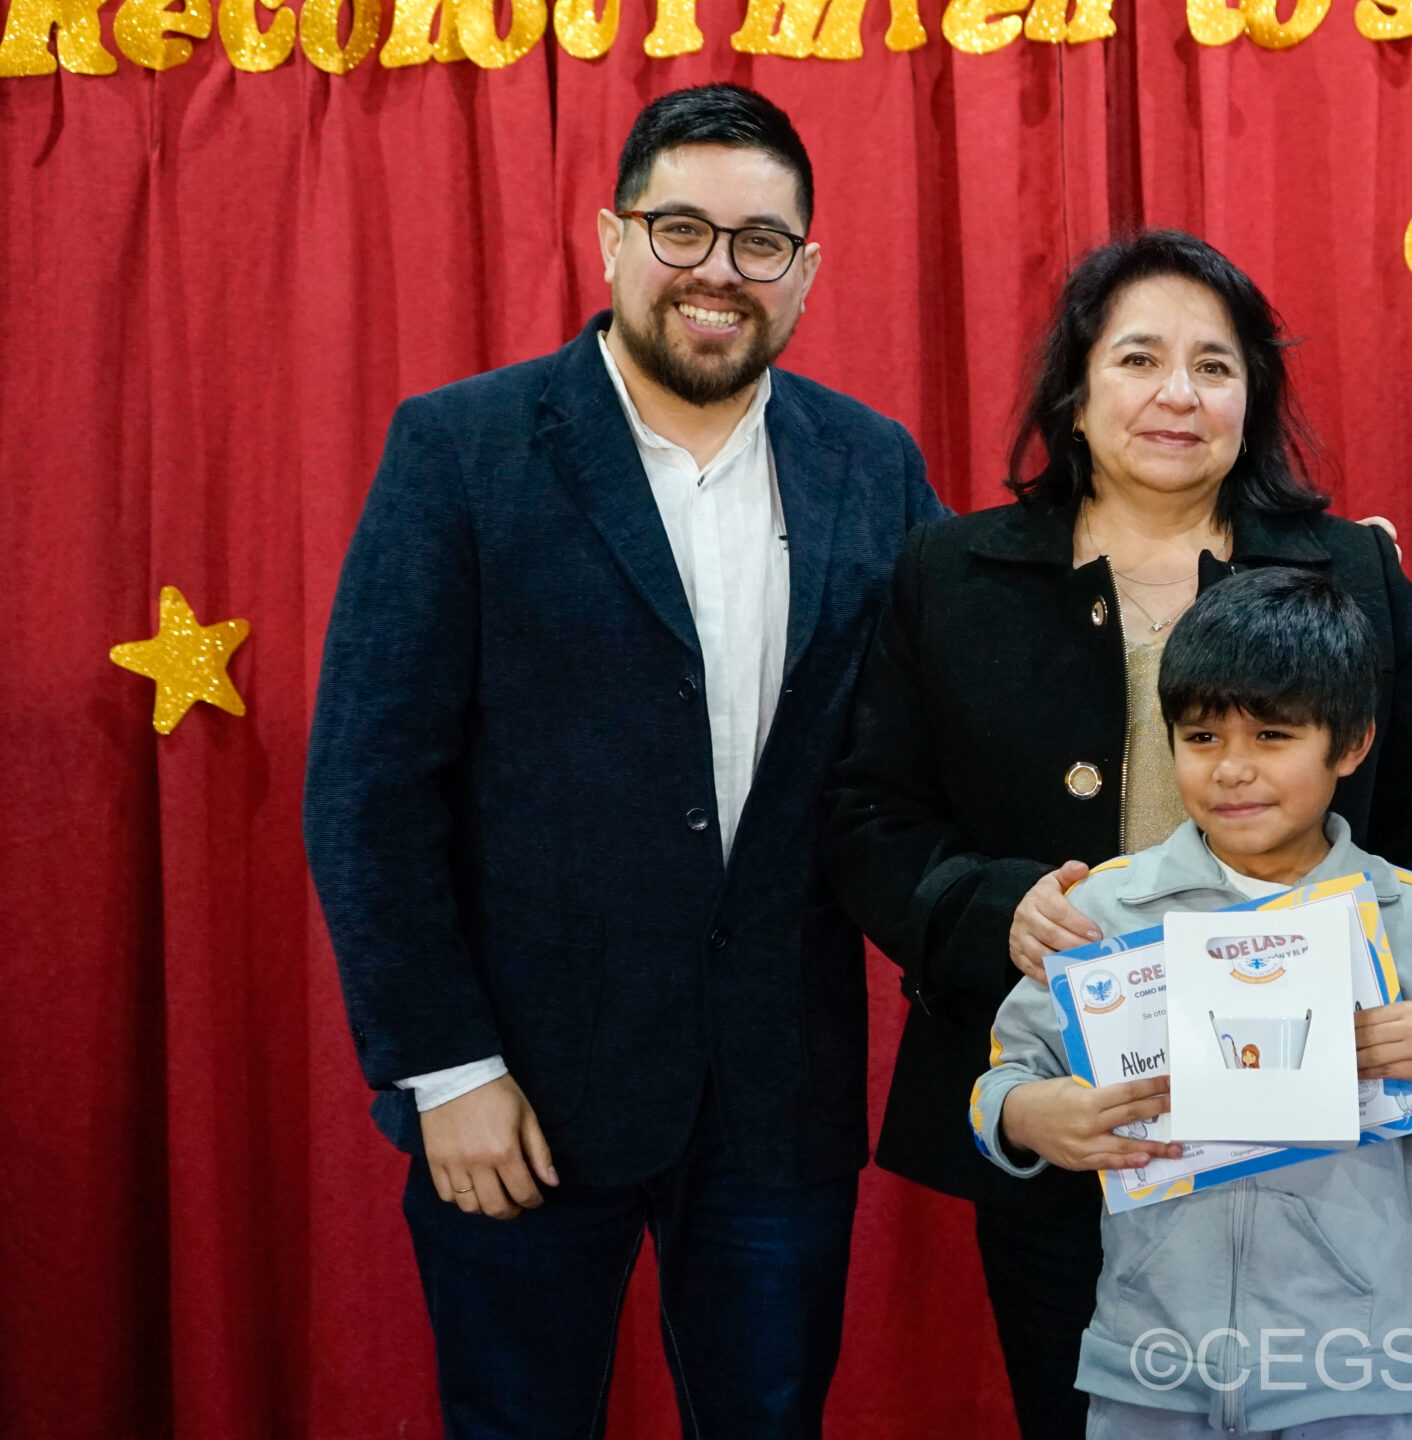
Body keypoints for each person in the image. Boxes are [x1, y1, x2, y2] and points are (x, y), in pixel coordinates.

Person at [304, 85, 944, 1438]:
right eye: (681, 229)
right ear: (611, 239)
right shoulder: (462, 449)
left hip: (778, 1101)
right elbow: (368, 791)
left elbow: (954, 716)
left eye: (760, 242)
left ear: (806, 269)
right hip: (519, 1099)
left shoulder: (871, 464)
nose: (719, 270)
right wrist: (445, 1069)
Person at [825, 229, 1412, 1440]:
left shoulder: (1346, 569)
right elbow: (869, 818)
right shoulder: (952, 573)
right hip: (1073, 1109)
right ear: (1076, 394)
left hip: (1306, 1132)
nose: (1177, 394)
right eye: (1138, 359)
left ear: (1254, 398)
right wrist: (997, 910)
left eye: (1215, 366)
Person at [971, 565, 1412, 1439]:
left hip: (1354, 1374)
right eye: (1201, 737)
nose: (1233, 770)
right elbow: (997, 1086)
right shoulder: (1104, 909)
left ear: (1351, 745)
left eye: (1273, 735)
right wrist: (1031, 1119)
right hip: (1150, 1367)